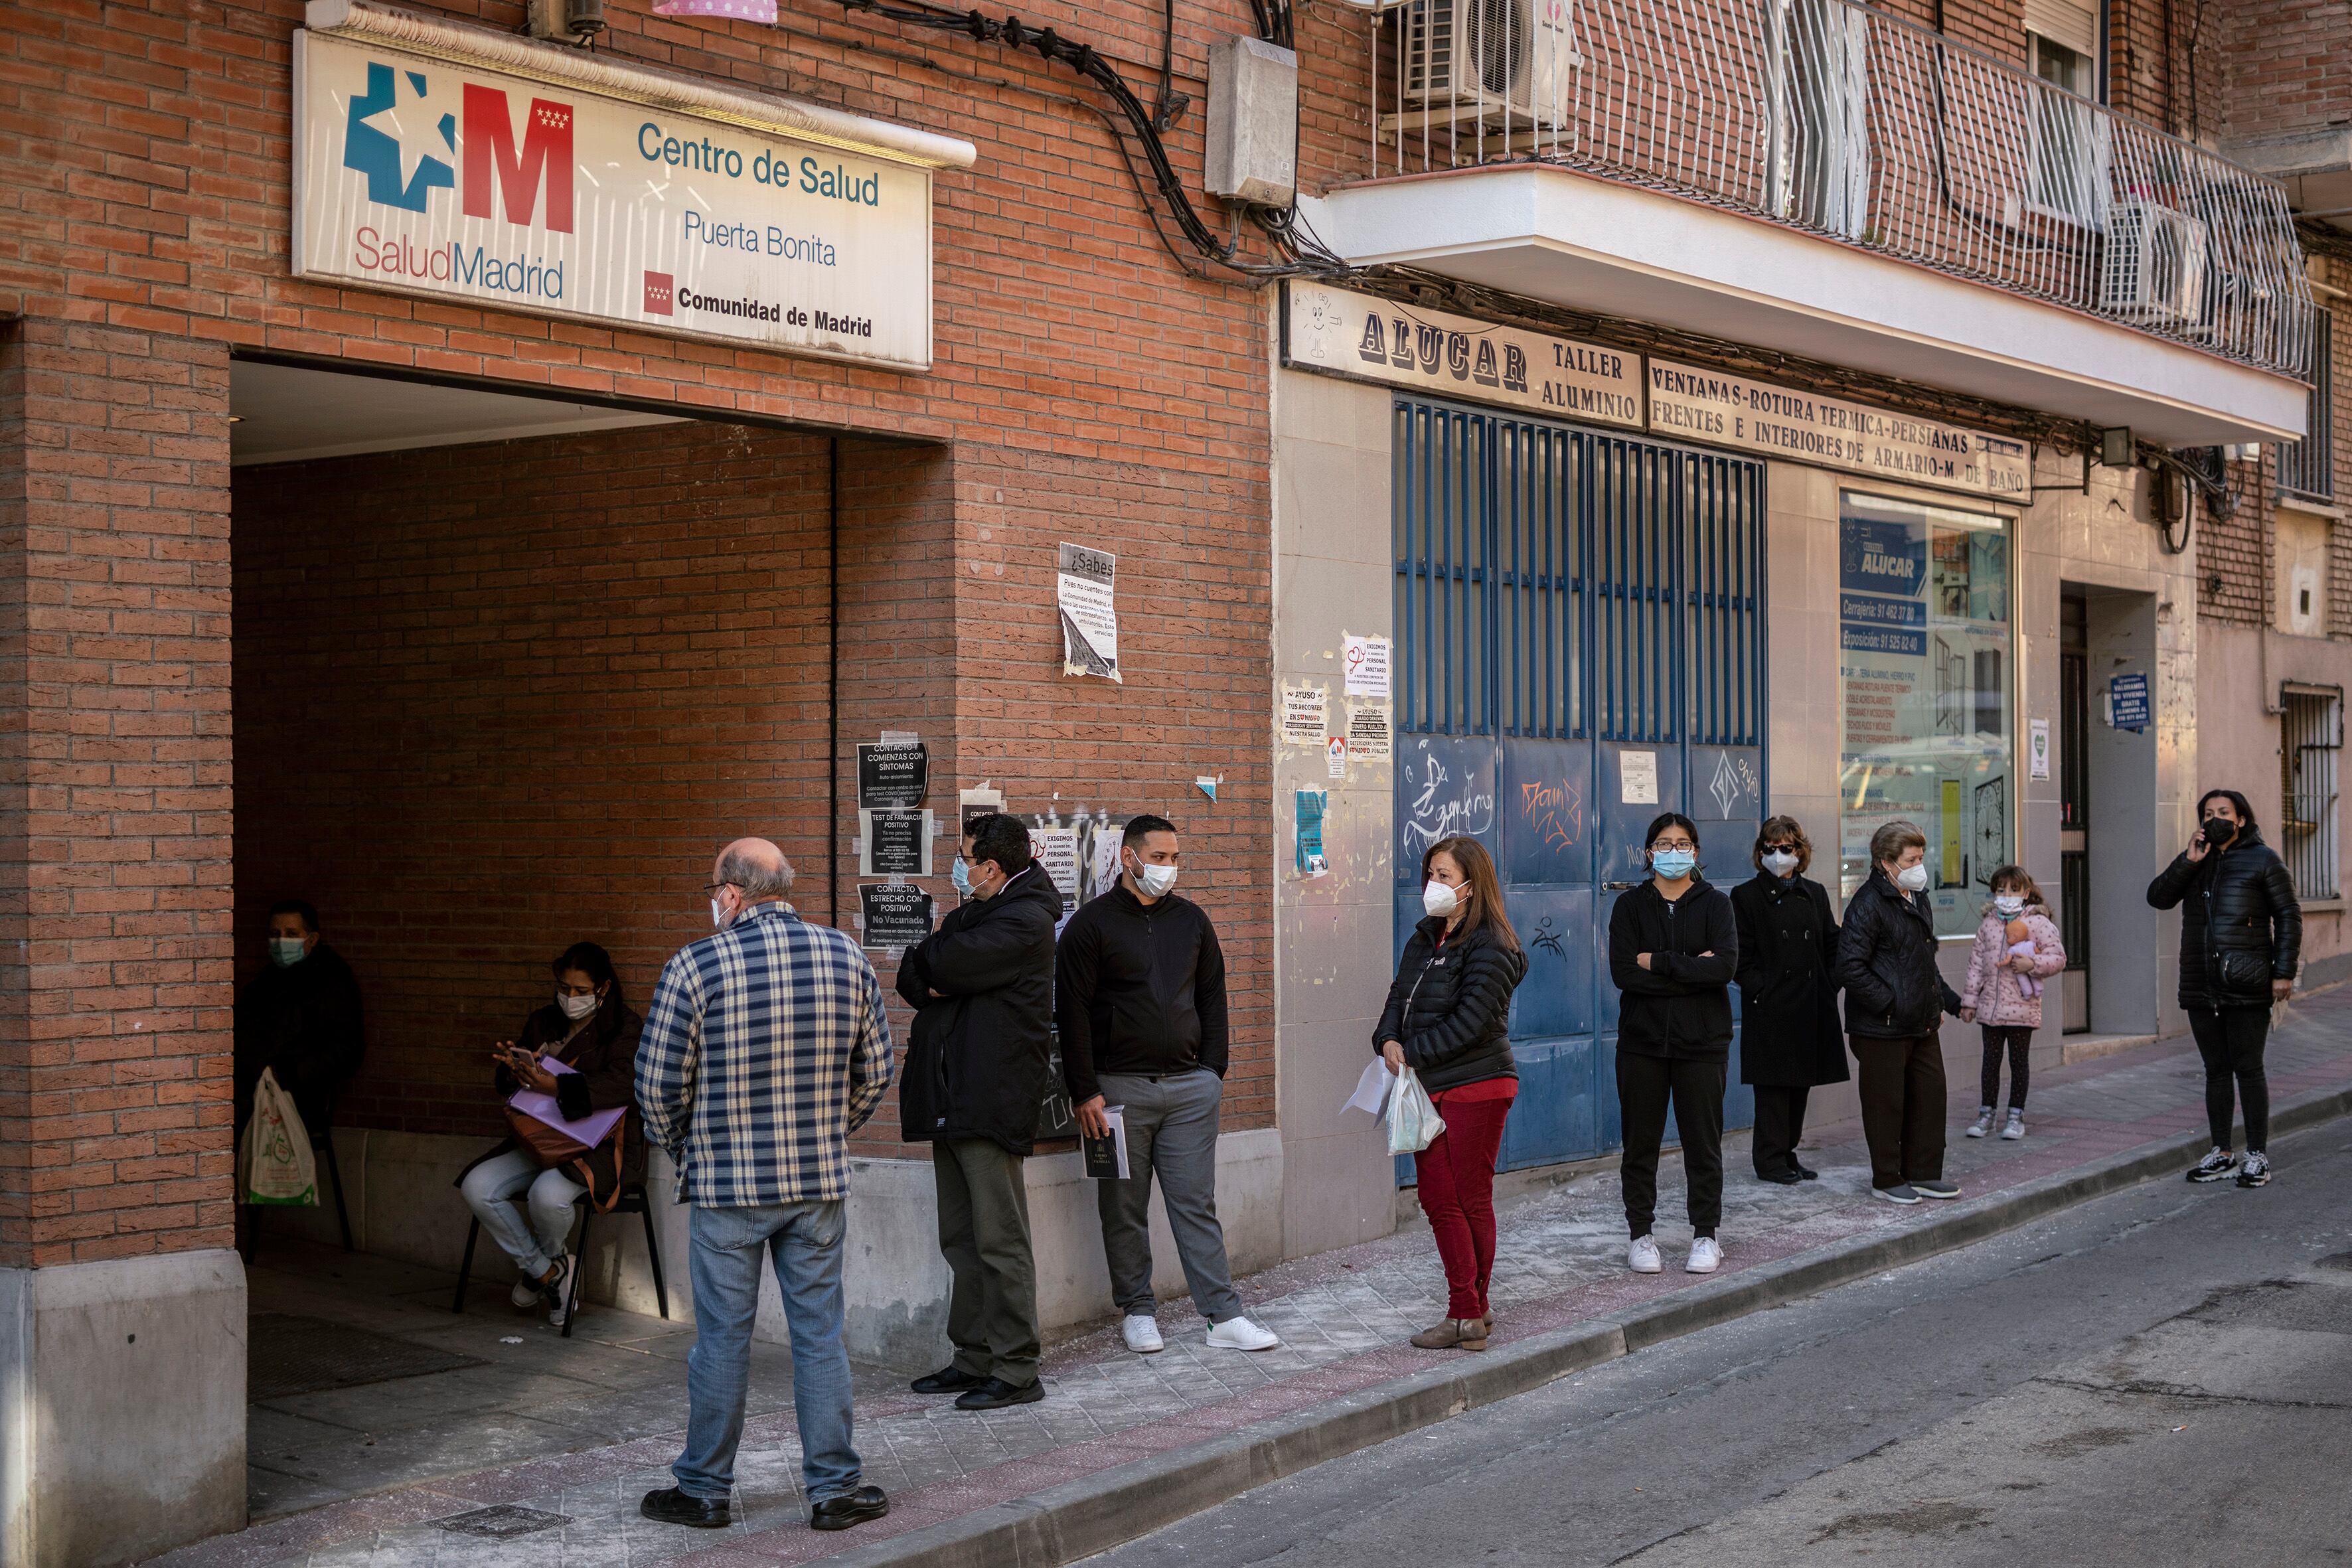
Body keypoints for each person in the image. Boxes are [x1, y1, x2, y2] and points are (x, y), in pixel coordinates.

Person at [635, 839, 894, 1534]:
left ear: (731, 893)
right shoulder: (846, 955)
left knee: (721, 1340)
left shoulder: (694, 965)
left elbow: (657, 1085)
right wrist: (829, 1130)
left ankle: (705, 1490)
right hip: (816, 1184)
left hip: (727, 1189)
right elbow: (876, 1069)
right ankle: (835, 1489)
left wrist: (691, 1147)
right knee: (819, 1337)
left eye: (714, 888)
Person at [1058, 815, 1281, 1355]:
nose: (1169, 868)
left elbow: (1212, 998)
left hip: (1189, 1090)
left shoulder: (1192, 922)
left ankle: (1223, 1316)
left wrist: (1212, 1073)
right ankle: (1136, 1311)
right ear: (1127, 858)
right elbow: (1072, 1012)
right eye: (1159, 858)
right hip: (1115, 1093)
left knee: (1194, 1203)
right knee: (1122, 1205)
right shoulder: (1091, 926)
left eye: (1175, 858)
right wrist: (1085, 1090)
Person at [897, 812, 1062, 1409]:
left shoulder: (1022, 921)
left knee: (999, 1240)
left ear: (991, 867)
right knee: (961, 1238)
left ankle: (1017, 1369)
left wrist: (936, 965)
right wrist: (934, 964)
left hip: (987, 1098)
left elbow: (936, 965)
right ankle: (973, 1357)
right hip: (952, 1095)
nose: (959, 868)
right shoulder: (980, 912)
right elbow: (914, 975)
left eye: (965, 858)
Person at [1375, 835, 1526, 1351]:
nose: (1432, 886)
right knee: (1439, 1199)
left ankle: (1466, 1312)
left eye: (1444, 876)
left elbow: (1471, 1023)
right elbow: (1399, 996)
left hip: (1478, 1085)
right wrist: (1388, 1039)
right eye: (1430, 874)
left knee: (1468, 1197)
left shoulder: (1493, 945)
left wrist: (1412, 1053)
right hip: (1428, 1088)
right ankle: (1473, 1309)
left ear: (1471, 883)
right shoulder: (1425, 937)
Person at [454, 942, 645, 1328]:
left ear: (603, 988)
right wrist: (514, 1071)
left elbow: (624, 1084)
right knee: (478, 1187)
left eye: (579, 991)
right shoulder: (544, 1021)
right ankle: (549, 1270)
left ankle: (544, 1269)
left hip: (596, 1144)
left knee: (547, 1195)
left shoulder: (625, 1027)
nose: (569, 998)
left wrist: (556, 1087)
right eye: (563, 988)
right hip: (541, 1136)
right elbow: (514, 1084)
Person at [2147, 789, 2301, 1189]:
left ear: (2242, 820)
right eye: (2209, 813)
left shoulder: (2264, 859)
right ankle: (2221, 1152)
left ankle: (2256, 1154)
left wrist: (2283, 972)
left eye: (2224, 812)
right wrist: (2187, 861)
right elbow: (2158, 897)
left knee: (2248, 1069)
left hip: (2247, 981)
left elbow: (2288, 915)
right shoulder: (2196, 862)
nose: (2216, 818)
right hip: (2202, 984)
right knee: (2215, 1071)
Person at [1610, 813, 1738, 1275]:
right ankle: (1640, 1235)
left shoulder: (1716, 906)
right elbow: (1624, 973)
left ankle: (1706, 1234)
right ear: (1649, 852)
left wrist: (1658, 963)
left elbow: (1722, 969)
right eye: (1663, 844)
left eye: (1683, 844)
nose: (1673, 851)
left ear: (1696, 853)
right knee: (1638, 1145)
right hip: (1641, 1044)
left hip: (1701, 1043)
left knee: (1702, 1144)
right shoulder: (1628, 907)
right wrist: (1688, 969)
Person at [1834, 821, 1965, 1205]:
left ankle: (1924, 1174)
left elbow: (1924, 960)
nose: (1919, 866)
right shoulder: (1867, 904)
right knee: (1886, 1104)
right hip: (1880, 1027)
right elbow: (1849, 968)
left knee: (1930, 1096)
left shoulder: (1917, 897)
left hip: (1921, 1023)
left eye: (1921, 857)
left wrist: (1940, 1002)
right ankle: (1887, 1177)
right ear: (1886, 863)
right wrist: (1892, 1002)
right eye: (1911, 859)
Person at [1729, 817, 1845, 1185]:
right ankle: (1769, 1159)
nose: (1779, 855)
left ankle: (1789, 1152)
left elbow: (1832, 942)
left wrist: (1831, 984)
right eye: (1771, 848)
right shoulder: (1745, 896)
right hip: (1772, 1007)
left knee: (1801, 1085)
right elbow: (1738, 955)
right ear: (1760, 852)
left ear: (1800, 851)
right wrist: (1761, 990)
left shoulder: (1815, 892)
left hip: (1810, 1004)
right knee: (1774, 1089)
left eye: (1786, 848)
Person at [233, 898, 366, 1135]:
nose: (282, 941)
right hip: (255, 1087)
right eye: (275, 933)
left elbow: (348, 1050)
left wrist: (288, 1072)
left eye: (292, 934)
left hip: (302, 1095)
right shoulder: (265, 981)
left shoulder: (333, 982)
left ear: (312, 939)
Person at [1959, 866, 2065, 1142]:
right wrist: (1970, 1002)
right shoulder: (1988, 925)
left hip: (2022, 1007)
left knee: (2019, 1063)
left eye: (2013, 890)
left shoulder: (2038, 924)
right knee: (1990, 1062)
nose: (2006, 895)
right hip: (1990, 1009)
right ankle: (1986, 1115)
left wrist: (2033, 964)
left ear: (2026, 894)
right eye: (2001, 890)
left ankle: (2016, 1116)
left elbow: (2058, 957)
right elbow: (1976, 966)